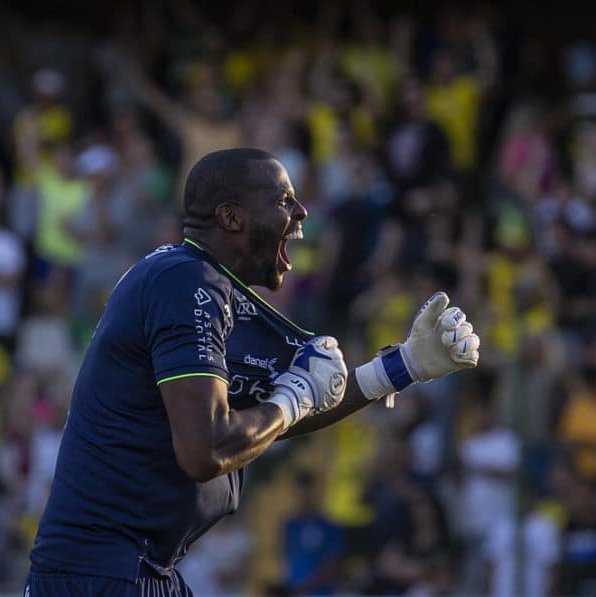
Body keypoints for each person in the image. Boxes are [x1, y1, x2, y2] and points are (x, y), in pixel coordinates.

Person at [26, 148, 480, 596]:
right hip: (102, 574)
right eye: (283, 200)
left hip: (130, 569)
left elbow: (301, 398)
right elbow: (208, 448)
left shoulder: (206, 287)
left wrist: (401, 367)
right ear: (231, 217)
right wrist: (294, 397)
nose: (301, 211)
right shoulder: (186, 283)